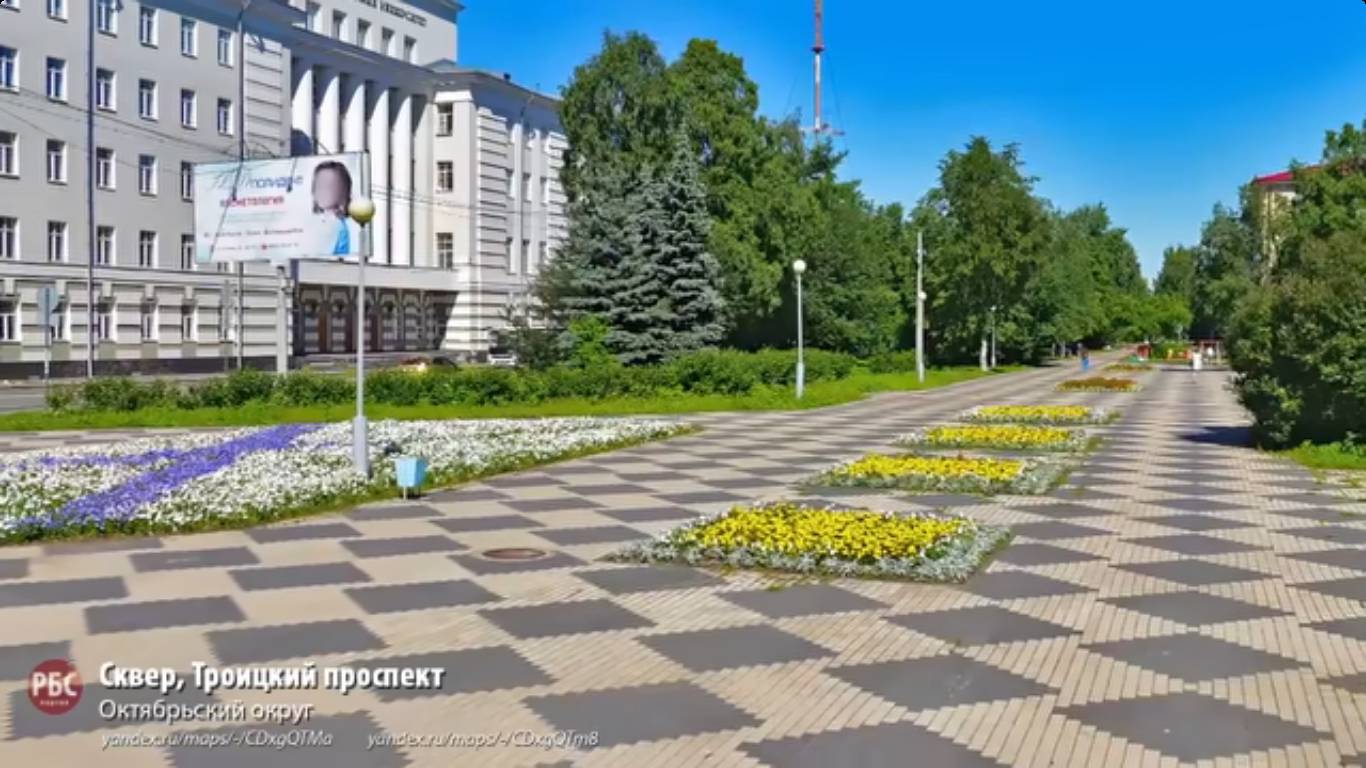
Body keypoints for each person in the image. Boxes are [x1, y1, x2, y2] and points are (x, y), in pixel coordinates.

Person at [310, 161, 358, 257]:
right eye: (320, 186)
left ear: (344, 192)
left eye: (330, 186)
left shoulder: (338, 226)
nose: (324, 191)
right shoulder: (315, 222)